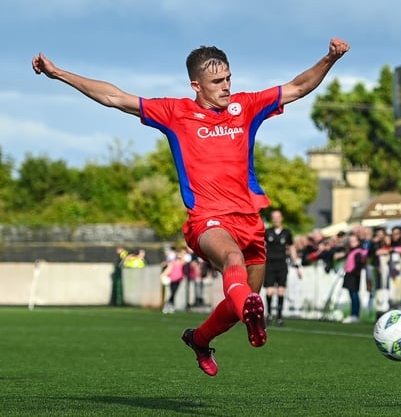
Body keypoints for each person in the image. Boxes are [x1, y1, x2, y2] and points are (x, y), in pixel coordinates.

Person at [33, 37, 350, 376]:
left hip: (249, 219)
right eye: (217, 81)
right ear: (196, 85)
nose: (226, 86)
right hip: (207, 219)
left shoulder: (246, 107)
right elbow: (114, 97)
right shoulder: (176, 113)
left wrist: (330, 58)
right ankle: (249, 315)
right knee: (232, 260)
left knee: (241, 302)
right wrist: (59, 73)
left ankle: (199, 339)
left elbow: (298, 87)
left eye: (228, 78)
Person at [264, 209, 302, 327]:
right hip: (269, 264)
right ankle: (269, 314)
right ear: (272, 219)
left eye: (278, 217)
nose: (276, 219)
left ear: (281, 218)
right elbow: (262, 246)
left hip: (281, 264)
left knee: (281, 290)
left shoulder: (287, 233)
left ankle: (279, 317)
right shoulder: (267, 232)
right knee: (269, 291)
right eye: (274, 217)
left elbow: (292, 248)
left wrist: (297, 266)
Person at [339, 234, 368, 323]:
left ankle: (355, 315)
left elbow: (359, 265)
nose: (352, 243)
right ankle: (353, 314)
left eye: (354, 241)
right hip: (350, 274)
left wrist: (353, 272)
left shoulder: (358, 252)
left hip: (354, 275)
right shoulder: (351, 251)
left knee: (354, 295)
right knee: (352, 295)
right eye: (350, 241)